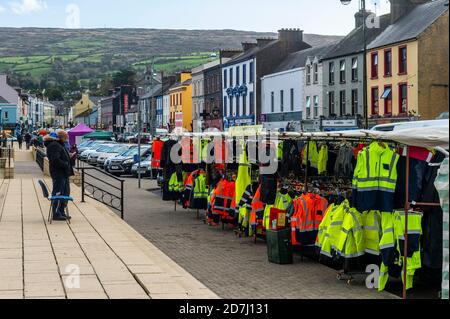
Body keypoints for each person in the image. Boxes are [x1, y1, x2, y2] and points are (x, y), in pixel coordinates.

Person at [45, 130, 74, 221]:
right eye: (66, 136)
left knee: (65, 192)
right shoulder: (55, 145)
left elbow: (60, 156)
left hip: (63, 174)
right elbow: (55, 160)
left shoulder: (59, 144)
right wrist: (65, 164)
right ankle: (56, 213)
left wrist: (69, 156)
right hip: (59, 174)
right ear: (62, 137)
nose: (68, 138)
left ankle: (61, 211)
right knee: (58, 193)